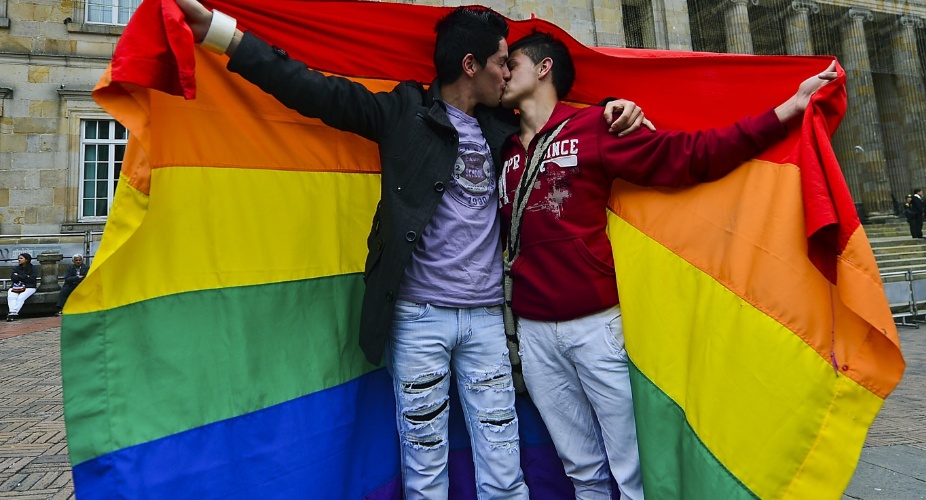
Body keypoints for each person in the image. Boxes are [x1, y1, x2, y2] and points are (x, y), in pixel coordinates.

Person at [173, 1, 647, 497]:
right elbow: (310, 87)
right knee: (424, 471)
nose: (508, 71)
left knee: (505, 470)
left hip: (488, 322)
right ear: (471, 65)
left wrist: (617, 104)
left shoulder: (502, 127)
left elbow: (554, 118)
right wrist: (220, 33)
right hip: (419, 321)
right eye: (502, 61)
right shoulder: (402, 112)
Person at [497, 31, 838, 498]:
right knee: (581, 470)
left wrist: (788, 110)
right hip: (534, 335)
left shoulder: (596, 127)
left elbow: (690, 156)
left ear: (543, 69)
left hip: (596, 328)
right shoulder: (503, 148)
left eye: (510, 62)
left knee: (633, 469)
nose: (500, 71)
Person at [7, 253, 39, 321]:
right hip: (16, 286)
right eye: (19, 258)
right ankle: (13, 312)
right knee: (11, 296)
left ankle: (13, 313)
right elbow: (13, 278)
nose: (19, 260)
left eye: (21, 258)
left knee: (21, 297)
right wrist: (25, 276)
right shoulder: (16, 268)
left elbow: (32, 279)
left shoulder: (33, 268)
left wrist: (19, 276)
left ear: (26, 260)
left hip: (29, 287)